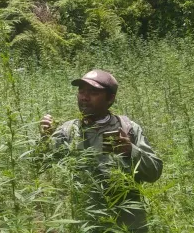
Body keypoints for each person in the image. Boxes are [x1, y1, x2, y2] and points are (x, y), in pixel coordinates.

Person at [39, 69, 163, 232]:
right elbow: (42, 167)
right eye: (81, 91)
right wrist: (44, 139)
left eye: (93, 92)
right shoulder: (67, 131)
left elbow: (154, 172)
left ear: (110, 98)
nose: (84, 97)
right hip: (84, 224)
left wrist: (130, 150)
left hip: (126, 225)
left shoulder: (128, 129)